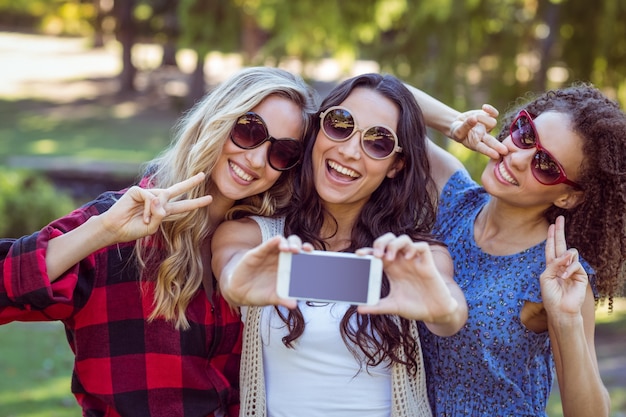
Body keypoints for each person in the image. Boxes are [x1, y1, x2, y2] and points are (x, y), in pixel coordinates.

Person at [0, 66, 319, 417]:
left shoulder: (268, 242)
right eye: (249, 131)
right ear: (216, 121)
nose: (257, 159)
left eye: (282, 152)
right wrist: (102, 232)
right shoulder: (116, 221)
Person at [211, 73, 468, 417]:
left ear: (397, 165)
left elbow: (449, 309)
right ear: (316, 131)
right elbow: (232, 269)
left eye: (377, 143)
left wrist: (442, 311)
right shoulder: (253, 235)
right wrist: (233, 283)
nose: (348, 151)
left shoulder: (410, 257)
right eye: (340, 124)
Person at [410, 83, 626, 417]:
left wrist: (566, 321)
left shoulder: (558, 273)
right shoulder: (453, 198)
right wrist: (454, 123)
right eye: (526, 134)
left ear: (567, 197)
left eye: (546, 165)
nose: (519, 157)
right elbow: (380, 95)